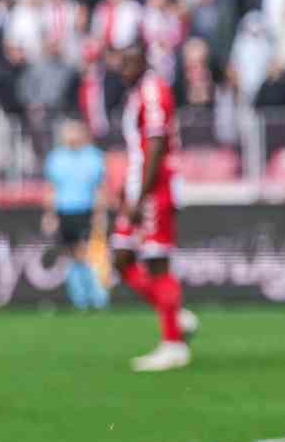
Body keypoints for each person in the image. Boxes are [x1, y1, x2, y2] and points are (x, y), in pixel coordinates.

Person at [109, 45, 199, 371]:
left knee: (157, 262)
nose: (124, 69)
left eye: (131, 62)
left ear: (145, 61)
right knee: (120, 256)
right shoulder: (139, 92)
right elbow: (139, 148)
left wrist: (142, 195)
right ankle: (174, 314)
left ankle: (174, 344)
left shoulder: (152, 91)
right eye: (122, 63)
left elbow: (157, 145)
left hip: (154, 189)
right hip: (139, 187)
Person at [43, 118, 108, 310]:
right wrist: (50, 214)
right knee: (70, 253)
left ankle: (97, 297)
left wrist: (99, 214)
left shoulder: (93, 157)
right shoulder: (56, 158)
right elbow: (50, 188)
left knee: (84, 252)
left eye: (74, 132)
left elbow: (100, 189)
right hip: (64, 210)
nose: (71, 136)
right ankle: (79, 299)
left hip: (84, 209)